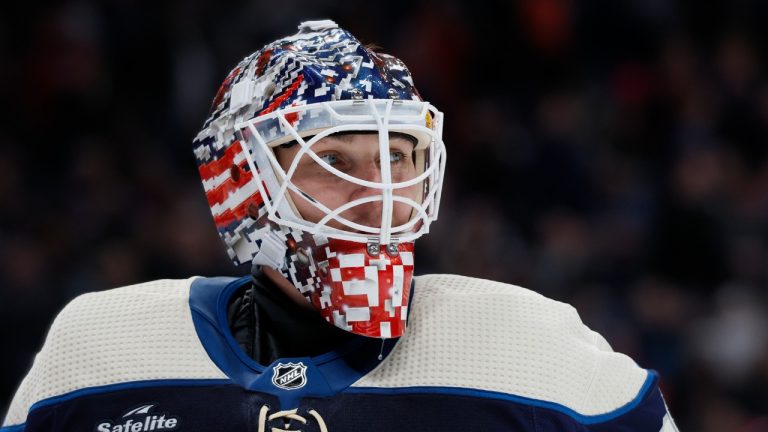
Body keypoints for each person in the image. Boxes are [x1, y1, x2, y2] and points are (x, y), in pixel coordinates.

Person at [2, 19, 678, 432]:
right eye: (333, 159)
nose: (378, 191)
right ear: (243, 182)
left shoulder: (535, 351)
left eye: (398, 156)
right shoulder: (94, 353)